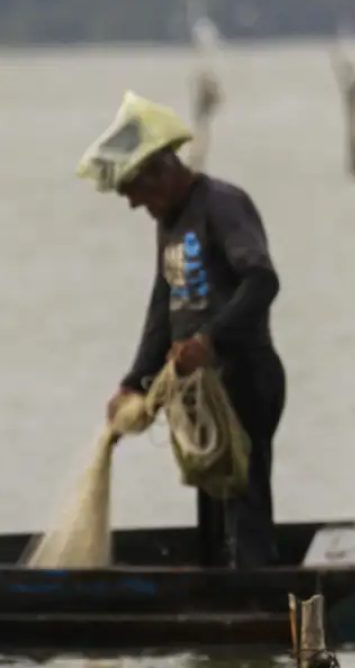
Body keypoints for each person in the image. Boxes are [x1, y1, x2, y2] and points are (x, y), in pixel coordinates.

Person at [77, 90, 287, 569]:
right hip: (195, 387)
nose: (134, 204)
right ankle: (215, 591)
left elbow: (262, 281)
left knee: (244, 492)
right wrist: (134, 380)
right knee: (210, 497)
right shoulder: (169, 221)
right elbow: (163, 305)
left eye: (136, 190)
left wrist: (209, 341)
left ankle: (257, 599)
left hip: (245, 375)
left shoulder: (222, 205)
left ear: (162, 172)